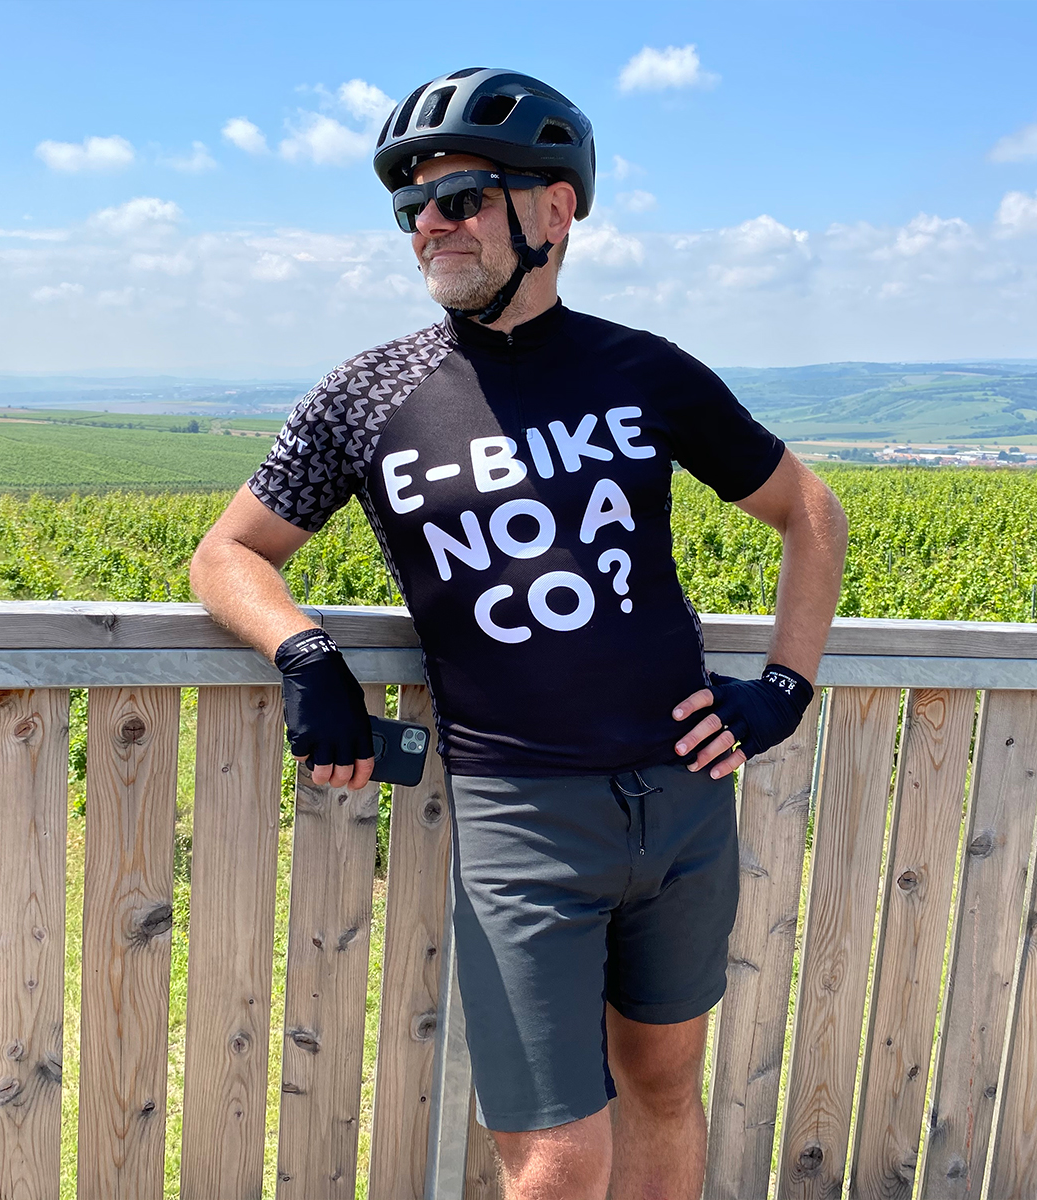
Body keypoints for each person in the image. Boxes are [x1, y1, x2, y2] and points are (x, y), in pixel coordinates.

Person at [190, 67, 847, 1200]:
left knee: (663, 1084)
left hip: (685, 795)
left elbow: (809, 510)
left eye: (462, 198)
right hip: (522, 813)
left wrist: (783, 689)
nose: (429, 226)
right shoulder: (368, 392)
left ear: (555, 209)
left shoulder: (646, 370)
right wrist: (302, 653)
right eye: (413, 207)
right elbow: (227, 553)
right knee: (554, 1157)